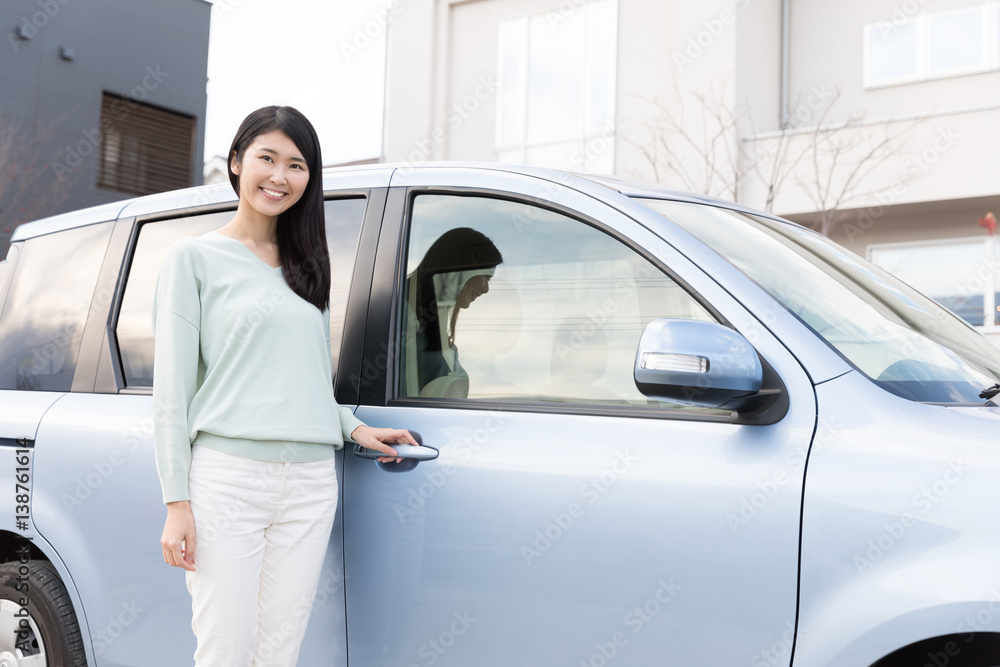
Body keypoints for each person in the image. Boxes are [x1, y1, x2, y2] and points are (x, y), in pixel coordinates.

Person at [152, 105, 417, 666]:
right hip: (228, 481)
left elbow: (310, 382)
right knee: (225, 650)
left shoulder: (309, 266)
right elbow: (171, 394)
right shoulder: (194, 258)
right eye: (266, 159)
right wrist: (178, 504)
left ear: (309, 179)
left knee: (279, 653)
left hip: (310, 484)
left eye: (296, 165)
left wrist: (357, 428)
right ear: (236, 164)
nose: (279, 176)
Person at [406, 228, 502, 396]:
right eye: (486, 276)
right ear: (461, 269)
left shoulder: (435, 329)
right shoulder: (401, 317)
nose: (486, 288)